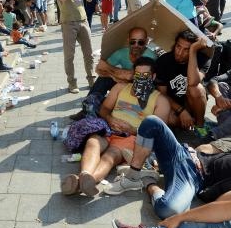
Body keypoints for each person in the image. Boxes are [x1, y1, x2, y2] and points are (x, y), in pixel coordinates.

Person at [105, 116, 231, 218]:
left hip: (190, 176)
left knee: (168, 209)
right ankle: (134, 175)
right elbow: (216, 194)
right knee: (152, 122)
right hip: (187, 159)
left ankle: (148, 180)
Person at [61, 57, 170, 197]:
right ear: (133, 75)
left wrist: (132, 130)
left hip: (132, 136)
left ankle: (83, 183)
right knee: (93, 142)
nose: (141, 79)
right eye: (138, 75)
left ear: (153, 76)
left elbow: (158, 133)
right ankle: (85, 175)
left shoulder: (160, 101)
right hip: (108, 128)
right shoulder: (120, 88)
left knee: (111, 155)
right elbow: (104, 109)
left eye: (145, 75)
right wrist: (110, 118)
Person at [69, 26, 155, 121]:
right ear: (128, 40)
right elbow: (99, 68)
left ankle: (103, 108)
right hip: (123, 83)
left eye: (140, 42)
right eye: (133, 42)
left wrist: (113, 71)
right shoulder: (122, 53)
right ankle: (87, 108)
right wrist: (114, 75)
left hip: (142, 86)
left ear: (146, 42)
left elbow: (132, 75)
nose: (136, 45)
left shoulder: (150, 56)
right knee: (103, 79)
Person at [53, 0, 95, 94]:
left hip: (83, 21)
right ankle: (72, 83)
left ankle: (92, 80)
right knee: (69, 56)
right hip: (68, 22)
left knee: (89, 54)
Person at [154, 30, 210, 132]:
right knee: (170, 119)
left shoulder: (203, 59)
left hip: (194, 103)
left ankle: (200, 126)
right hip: (175, 105)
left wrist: (192, 51)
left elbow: (193, 82)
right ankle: (190, 123)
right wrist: (181, 111)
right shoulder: (163, 61)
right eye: (178, 46)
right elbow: (162, 94)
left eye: (186, 50)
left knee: (196, 88)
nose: (179, 53)